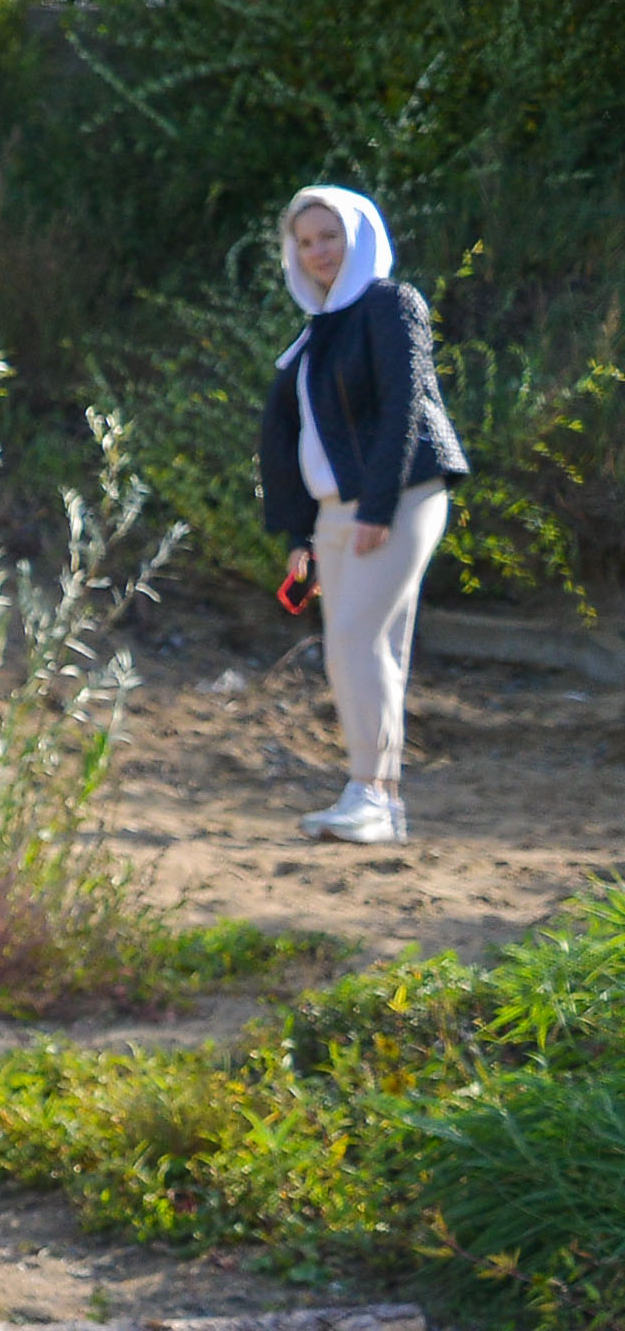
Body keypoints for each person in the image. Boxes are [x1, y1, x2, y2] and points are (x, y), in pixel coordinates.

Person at [262, 182, 469, 850]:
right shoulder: (317, 332)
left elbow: (405, 407)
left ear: (359, 237)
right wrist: (301, 533)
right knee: (361, 650)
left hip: (400, 498)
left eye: (330, 236)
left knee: (357, 640)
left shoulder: (390, 304)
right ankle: (377, 800)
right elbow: (300, 438)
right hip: (334, 511)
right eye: (306, 241)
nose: (319, 250)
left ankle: (371, 796)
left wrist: (377, 506)